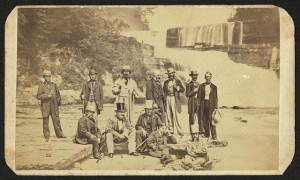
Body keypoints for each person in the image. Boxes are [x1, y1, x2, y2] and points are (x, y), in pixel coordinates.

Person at [36, 70, 66, 142]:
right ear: (44, 77)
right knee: (45, 121)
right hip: (45, 105)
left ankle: (59, 134)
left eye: (49, 76)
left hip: (54, 105)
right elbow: (38, 96)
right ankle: (46, 135)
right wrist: (47, 96)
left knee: (56, 119)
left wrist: (58, 103)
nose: (48, 78)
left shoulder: (54, 85)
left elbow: (58, 95)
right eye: (46, 76)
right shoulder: (41, 86)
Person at [163, 68, 185, 136]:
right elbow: (164, 91)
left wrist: (177, 88)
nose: (171, 75)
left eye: (172, 73)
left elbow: (183, 89)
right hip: (168, 98)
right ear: (168, 75)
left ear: (174, 74)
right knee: (169, 115)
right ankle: (171, 129)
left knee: (176, 115)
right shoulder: (166, 82)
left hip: (174, 98)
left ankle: (179, 130)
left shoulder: (177, 81)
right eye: (169, 74)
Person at [197, 72, 218, 140]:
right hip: (204, 103)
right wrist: (198, 105)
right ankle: (207, 134)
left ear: (211, 77)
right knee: (204, 119)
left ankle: (214, 136)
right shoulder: (201, 86)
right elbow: (199, 97)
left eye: (209, 76)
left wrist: (216, 107)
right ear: (205, 77)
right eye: (206, 76)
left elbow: (215, 98)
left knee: (211, 120)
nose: (207, 78)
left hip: (211, 104)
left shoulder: (214, 87)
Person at [185, 70, 205, 140]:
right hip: (191, 102)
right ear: (191, 76)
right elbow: (187, 94)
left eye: (196, 75)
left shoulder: (199, 84)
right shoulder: (188, 84)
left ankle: (200, 132)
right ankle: (192, 133)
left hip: (198, 102)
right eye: (194, 75)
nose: (195, 77)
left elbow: (201, 95)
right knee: (191, 118)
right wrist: (194, 91)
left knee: (200, 117)